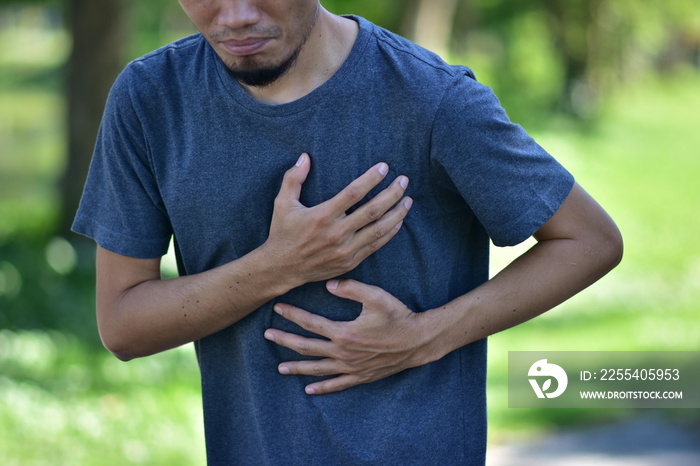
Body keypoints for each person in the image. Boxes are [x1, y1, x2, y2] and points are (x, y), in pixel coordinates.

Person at [72, 1, 623, 464]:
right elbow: (123, 325)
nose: (235, 15)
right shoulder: (149, 100)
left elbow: (588, 240)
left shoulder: (433, 99)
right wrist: (280, 266)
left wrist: (424, 336)